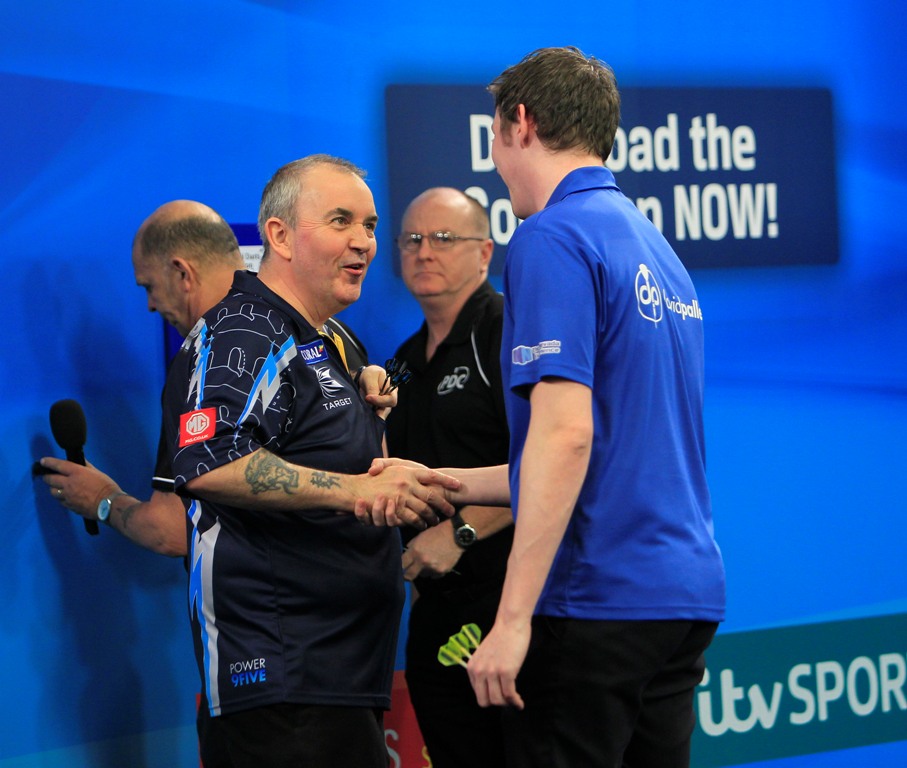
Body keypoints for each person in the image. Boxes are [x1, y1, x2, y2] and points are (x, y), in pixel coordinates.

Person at [366, 47, 726, 768]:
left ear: (520, 123)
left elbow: (565, 439)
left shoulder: (551, 237)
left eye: (494, 137)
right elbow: (605, 451)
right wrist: (446, 482)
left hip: (596, 596)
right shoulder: (655, 247)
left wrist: (511, 618)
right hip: (680, 597)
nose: (497, 160)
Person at [164, 155, 459, 767]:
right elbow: (207, 459)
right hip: (279, 682)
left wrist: (372, 427)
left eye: (370, 225)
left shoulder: (333, 340)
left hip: (343, 675)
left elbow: (331, 454)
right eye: (340, 221)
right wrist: (355, 490)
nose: (364, 241)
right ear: (278, 235)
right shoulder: (244, 328)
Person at [39, 200, 387, 555]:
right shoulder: (333, 334)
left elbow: (173, 531)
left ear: (182, 274)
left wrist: (103, 500)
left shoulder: (203, 359)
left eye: (149, 286)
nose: (151, 305)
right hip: (359, 568)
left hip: (268, 585)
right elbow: (378, 466)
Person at [385, 187, 512, 768]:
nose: (424, 252)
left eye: (442, 238)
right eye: (412, 239)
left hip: (514, 606)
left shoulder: (507, 330)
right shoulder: (402, 363)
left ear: (484, 253)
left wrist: (460, 533)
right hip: (437, 616)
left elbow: (557, 465)